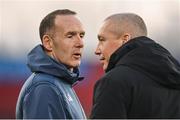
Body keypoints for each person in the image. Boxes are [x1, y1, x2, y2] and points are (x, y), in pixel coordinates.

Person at [90, 13, 180, 119]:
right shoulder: (175, 78)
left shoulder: (114, 81)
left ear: (125, 40)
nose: (97, 50)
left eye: (102, 40)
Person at [16, 9, 86, 119]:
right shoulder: (44, 87)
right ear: (48, 43)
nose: (80, 43)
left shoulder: (60, 82)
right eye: (70, 36)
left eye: (81, 35)